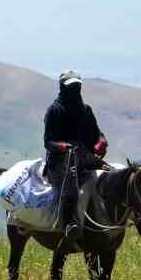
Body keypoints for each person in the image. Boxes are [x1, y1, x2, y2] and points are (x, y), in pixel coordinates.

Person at [43, 70, 108, 238]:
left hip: (85, 159)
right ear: (62, 88)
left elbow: (97, 133)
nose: (75, 90)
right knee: (71, 181)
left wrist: (101, 141)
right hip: (60, 163)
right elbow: (48, 142)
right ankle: (68, 222)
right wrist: (63, 147)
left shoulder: (86, 110)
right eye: (71, 87)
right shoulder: (54, 111)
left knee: (114, 175)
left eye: (77, 86)